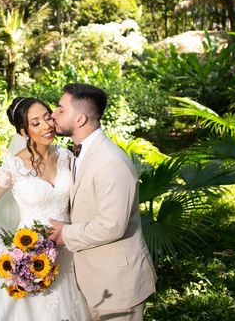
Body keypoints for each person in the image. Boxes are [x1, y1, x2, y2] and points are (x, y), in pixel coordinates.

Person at [0, 96, 91, 320]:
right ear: (23, 132)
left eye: (47, 117)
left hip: (68, 252)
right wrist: (6, 253)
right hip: (29, 255)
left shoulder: (66, 156)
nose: (47, 126)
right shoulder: (13, 167)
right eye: (36, 122)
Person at [49, 83, 156, 321]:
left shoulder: (111, 160)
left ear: (80, 119)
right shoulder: (80, 153)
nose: (53, 114)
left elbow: (112, 225)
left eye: (60, 109)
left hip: (117, 283)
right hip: (91, 280)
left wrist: (65, 234)